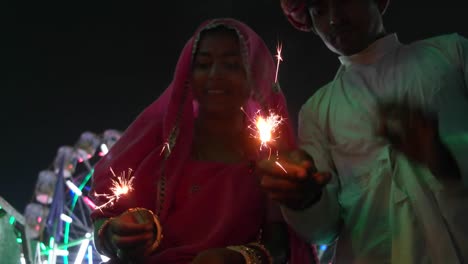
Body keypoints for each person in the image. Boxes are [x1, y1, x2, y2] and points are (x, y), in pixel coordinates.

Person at [257, 0, 468, 263]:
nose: (334, 19)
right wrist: (305, 200)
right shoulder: (317, 110)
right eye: (320, 10)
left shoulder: (452, 55)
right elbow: (324, 230)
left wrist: (447, 159)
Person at [90, 18, 314, 263]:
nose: (215, 75)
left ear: (254, 76)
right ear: (187, 75)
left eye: (231, 65)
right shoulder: (158, 145)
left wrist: (240, 258)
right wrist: (117, 235)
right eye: (204, 65)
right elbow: (105, 221)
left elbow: (281, 246)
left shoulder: (269, 158)